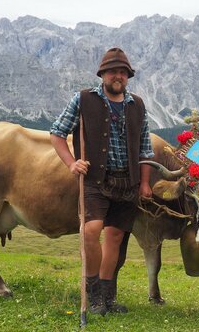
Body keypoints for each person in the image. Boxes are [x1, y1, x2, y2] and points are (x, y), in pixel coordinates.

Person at [50, 47, 154, 315]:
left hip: (128, 182)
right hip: (96, 180)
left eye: (123, 72)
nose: (118, 76)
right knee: (91, 231)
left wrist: (144, 183)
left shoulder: (137, 105)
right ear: (103, 74)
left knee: (116, 236)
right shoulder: (83, 99)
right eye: (112, 71)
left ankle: (108, 296)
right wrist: (72, 163)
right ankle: (93, 292)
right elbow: (57, 133)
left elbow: (144, 149)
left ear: (128, 76)